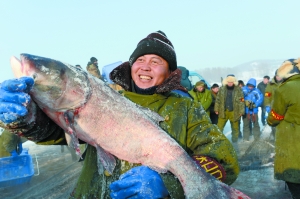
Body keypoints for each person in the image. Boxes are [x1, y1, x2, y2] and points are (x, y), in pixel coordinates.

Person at [0, 30, 240, 198]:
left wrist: (169, 184)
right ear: (131, 65)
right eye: (140, 59)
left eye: (156, 61)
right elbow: (54, 131)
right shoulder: (107, 98)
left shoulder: (186, 108)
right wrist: (25, 117)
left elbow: (225, 162)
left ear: (169, 72)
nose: (145, 66)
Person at [267, 58, 300, 199]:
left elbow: (276, 116)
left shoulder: (285, 88)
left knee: (293, 173)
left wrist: (270, 120)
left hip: (292, 136)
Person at [214, 75, 245, 143]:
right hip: (223, 111)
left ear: (234, 82)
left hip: (234, 111)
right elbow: (218, 100)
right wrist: (216, 109)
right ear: (226, 82)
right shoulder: (222, 89)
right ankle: (218, 141)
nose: (230, 83)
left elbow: (242, 101)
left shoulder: (239, 90)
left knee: (235, 128)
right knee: (219, 127)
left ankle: (234, 141)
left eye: (231, 82)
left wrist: (241, 111)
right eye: (228, 82)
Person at [264, 72, 283, 141]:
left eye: (280, 76)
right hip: (273, 107)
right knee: (274, 123)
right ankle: (276, 138)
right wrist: (267, 105)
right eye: (277, 75)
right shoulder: (270, 84)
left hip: (284, 107)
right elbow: (267, 96)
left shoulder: (286, 83)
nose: (278, 77)